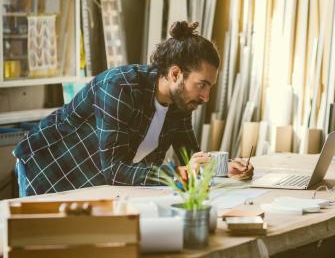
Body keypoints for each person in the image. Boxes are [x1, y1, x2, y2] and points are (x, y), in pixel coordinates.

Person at [13, 21, 254, 197]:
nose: (205, 96)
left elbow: (190, 157)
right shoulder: (119, 87)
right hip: (47, 167)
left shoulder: (180, 104)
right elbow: (115, 170)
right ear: (175, 74)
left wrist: (223, 168)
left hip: (94, 178)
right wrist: (181, 173)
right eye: (202, 85)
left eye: (210, 87)